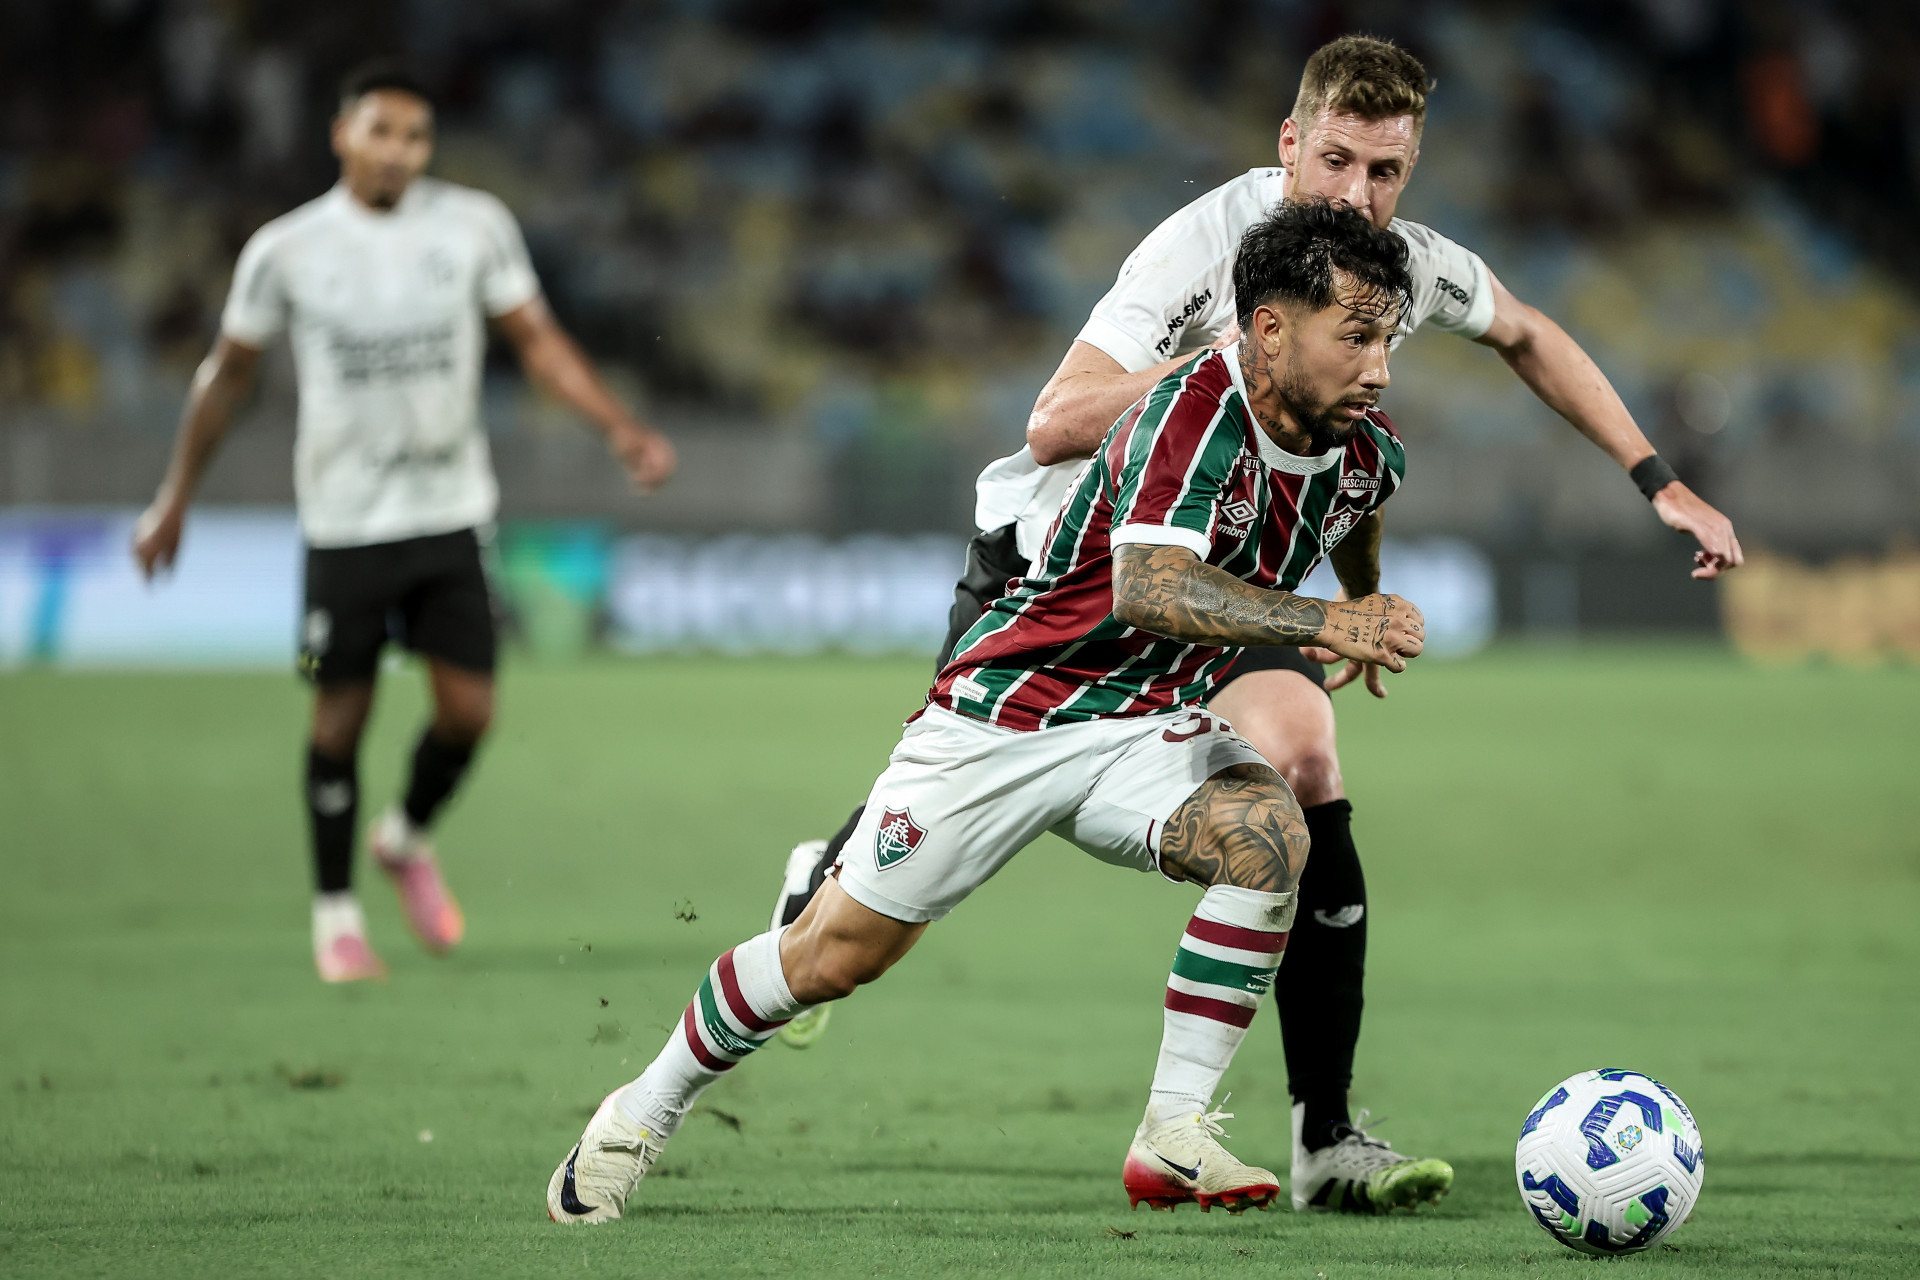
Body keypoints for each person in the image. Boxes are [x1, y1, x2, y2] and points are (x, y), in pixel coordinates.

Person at [766, 34, 1744, 1214]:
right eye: (1336, 161)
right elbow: (1057, 417)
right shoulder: (1204, 250)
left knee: (1308, 758)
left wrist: (1660, 481)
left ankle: (1326, 1137)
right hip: (1064, 571)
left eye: (1387, 171)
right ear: (1290, 142)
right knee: (868, 912)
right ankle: (820, 881)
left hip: (1235, 576)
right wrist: (1234, 361)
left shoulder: (1402, 266)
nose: (1358, 196)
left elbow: (1528, 332)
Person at [549, 198, 1424, 1225]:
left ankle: (1173, 1128)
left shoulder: (1364, 444)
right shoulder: (1194, 411)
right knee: (832, 956)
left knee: (1271, 835)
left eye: (1389, 341)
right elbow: (1149, 587)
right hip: (1010, 714)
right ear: (1269, 328)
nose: (1379, 368)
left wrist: (1360, 601)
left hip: (1145, 723)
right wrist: (1326, 619)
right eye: (1356, 338)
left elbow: (1355, 510)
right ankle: (638, 1110)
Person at [131, 62, 677, 984]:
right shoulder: (287, 249)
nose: (399, 151)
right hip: (343, 524)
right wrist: (175, 495)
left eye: (416, 136)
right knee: (339, 718)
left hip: (451, 511)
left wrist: (620, 429)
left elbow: (535, 341)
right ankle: (336, 917)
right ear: (341, 134)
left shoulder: (472, 228)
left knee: (470, 714)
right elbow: (226, 377)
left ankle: (404, 836)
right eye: (381, 130)